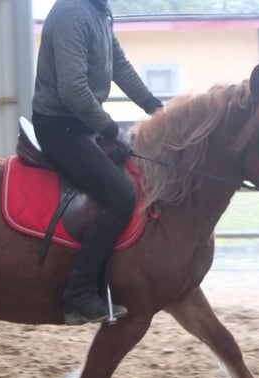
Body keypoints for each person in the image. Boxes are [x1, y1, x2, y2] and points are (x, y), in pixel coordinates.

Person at [32, 0, 163, 326]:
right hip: (60, 127)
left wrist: (155, 107)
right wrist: (109, 129)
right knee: (120, 195)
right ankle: (78, 292)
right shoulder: (73, 13)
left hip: (81, 124)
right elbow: (73, 89)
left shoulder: (99, 11)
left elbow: (119, 64)